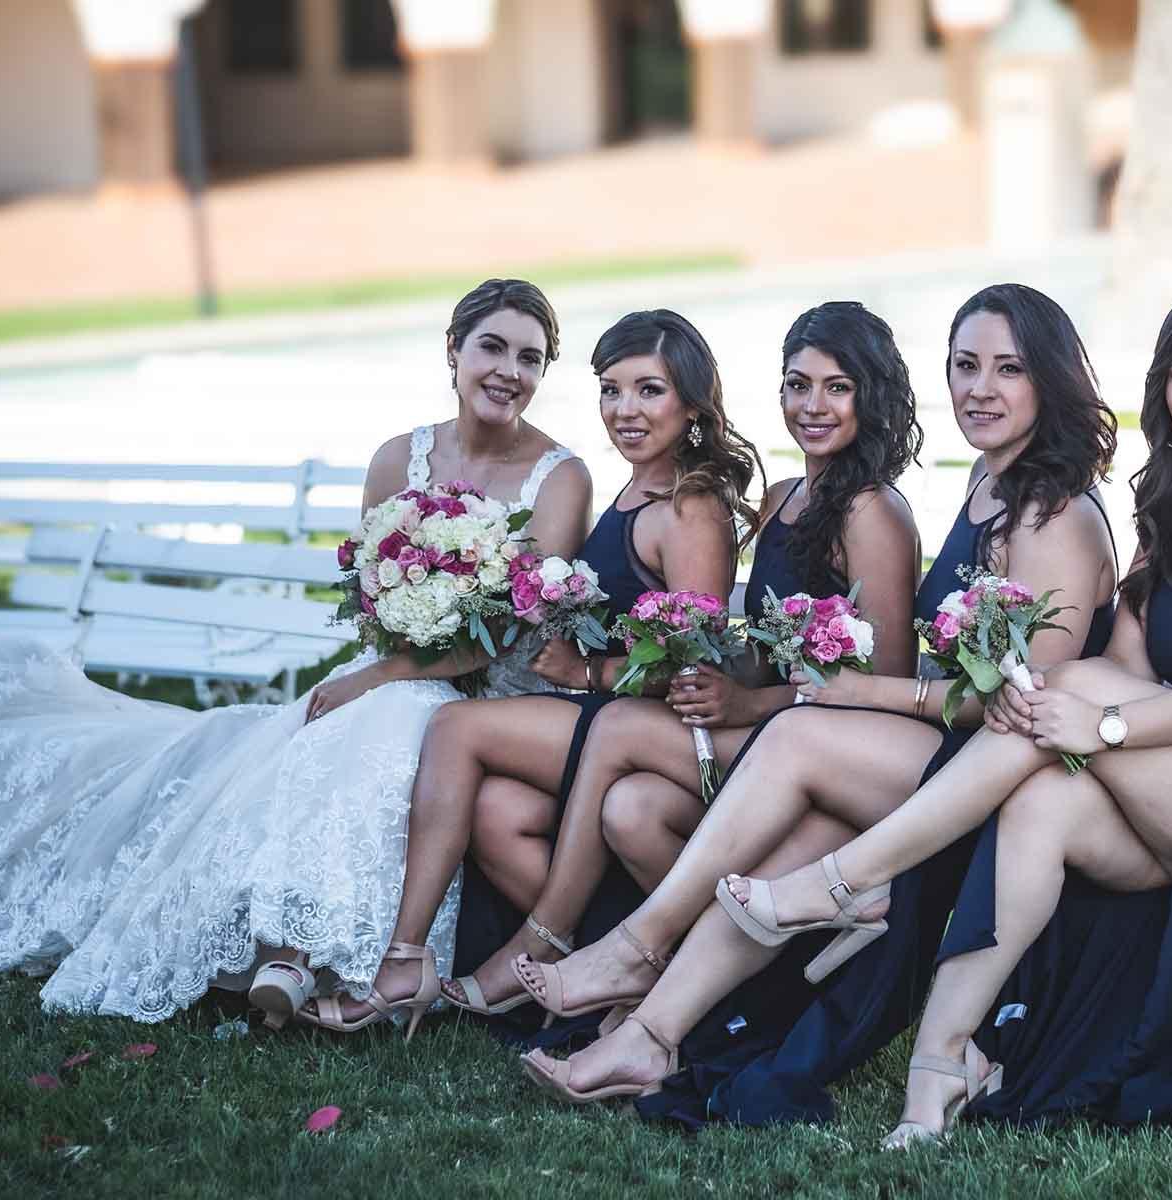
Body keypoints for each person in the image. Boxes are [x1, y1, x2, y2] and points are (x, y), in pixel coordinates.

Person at [714, 279, 1172, 1145]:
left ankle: (849, 879)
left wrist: (1107, 729)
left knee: (1061, 692)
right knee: (1040, 786)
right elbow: (1124, 668)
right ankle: (938, 1068)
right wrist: (1066, 706)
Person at [0, 279, 592, 1023]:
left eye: (529, 359)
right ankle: (293, 945)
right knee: (345, 723)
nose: (509, 372)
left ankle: (306, 950)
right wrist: (391, 645)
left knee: (392, 713)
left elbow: (509, 629)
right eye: (492, 347)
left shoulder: (559, 478)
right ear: (454, 350)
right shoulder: (400, 457)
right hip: (400, 670)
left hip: (499, 694)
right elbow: (373, 597)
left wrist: (381, 675)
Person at [516, 283, 1121, 1102]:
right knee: (768, 823)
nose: (980, 389)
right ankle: (648, 1038)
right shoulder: (992, 483)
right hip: (933, 754)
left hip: (1010, 784)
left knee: (789, 741)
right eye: (965, 366)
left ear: (1049, 378)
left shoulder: (1055, 516)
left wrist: (855, 690)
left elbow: (1030, 709)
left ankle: (634, 948)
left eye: (1008, 369)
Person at [440, 300, 924, 1017]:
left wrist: (741, 702)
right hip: (764, 726)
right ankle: (701, 983)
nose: (812, 406)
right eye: (797, 385)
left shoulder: (873, 511)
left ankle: (545, 939)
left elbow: (882, 687)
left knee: (616, 726)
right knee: (631, 808)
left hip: (826, 752)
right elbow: (764, 649)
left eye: (837, 387)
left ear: (872, 395)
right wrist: (726, 679)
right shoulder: (784, 499)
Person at [298, 308, 760, 1033]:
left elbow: (691, 667)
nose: (626, 410)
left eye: (649, 391)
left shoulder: (689, 508)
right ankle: (600, 964)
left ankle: (406, 962)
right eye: (611, 389)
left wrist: (585, 672)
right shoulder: (636, 491)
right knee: (496, 813)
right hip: (601, 718)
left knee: (456, 729)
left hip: (649, 732)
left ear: (693, 406)